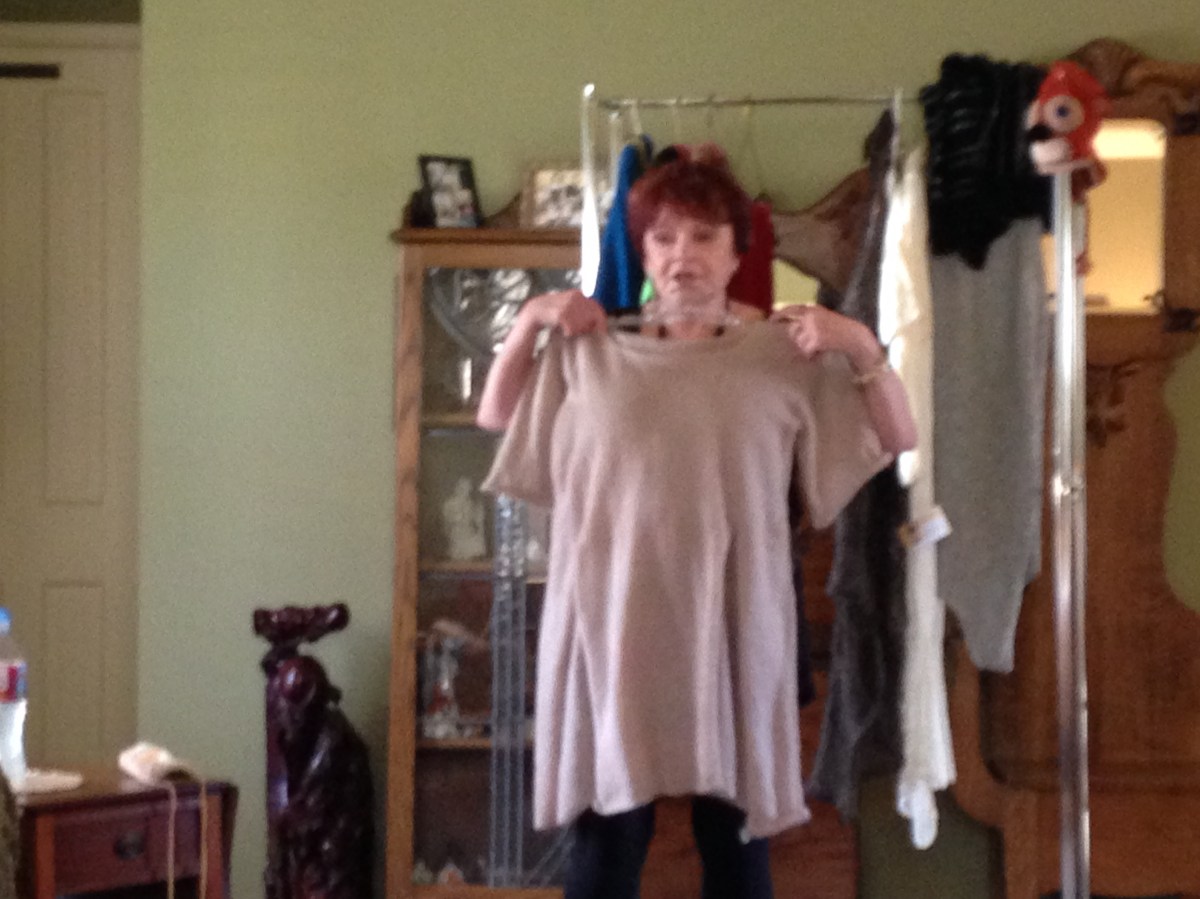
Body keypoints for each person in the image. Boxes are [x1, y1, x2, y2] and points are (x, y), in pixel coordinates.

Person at [477, 149, 916, 899]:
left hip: (735, 624)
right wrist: (529, 321)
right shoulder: (589, 354)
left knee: (737, 856)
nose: (683, 255)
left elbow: (898, 435)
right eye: (664, 237)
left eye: (705, 236)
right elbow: (496, 415)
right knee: (606, 853)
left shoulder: (781, 357)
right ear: (643, 253)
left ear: (739, 252)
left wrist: (858, 343)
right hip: (614, 628)